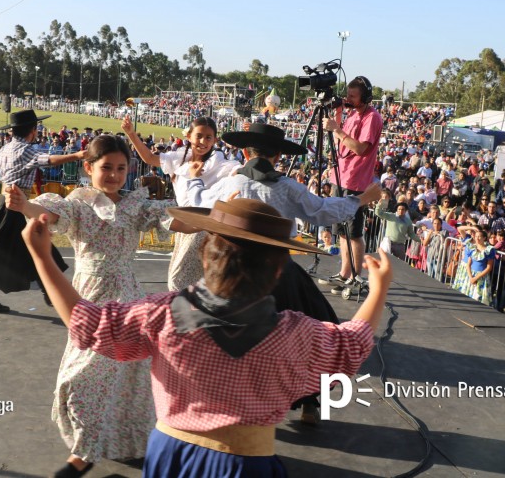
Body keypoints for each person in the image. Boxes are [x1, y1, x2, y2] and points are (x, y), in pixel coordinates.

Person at [20, 196, 393, 477]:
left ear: (204, 253)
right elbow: (352, 343)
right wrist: (378, 290)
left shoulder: (164, 314)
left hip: (171, 456)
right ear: (280, 269)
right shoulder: (295, 333)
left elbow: (87, 322)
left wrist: (42, 259)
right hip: (249, 464)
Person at [5, 134, 195, 477]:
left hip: (130, 295)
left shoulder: (136, 204)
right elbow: (45, 213)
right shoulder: (79, 204)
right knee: (83, 372)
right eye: (106, 167)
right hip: (90, 294)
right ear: (88, 167)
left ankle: (123, 441)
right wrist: (23, 206)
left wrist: (218, 222)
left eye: (121, 168)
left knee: (132, 371)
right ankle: (87, 442)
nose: (114, 175)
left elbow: (173, 219)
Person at [185, 122, 381, 423]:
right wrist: (361, 199)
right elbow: (322, 211)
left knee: (216, 330)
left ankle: (224, 397)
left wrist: (194, 179)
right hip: (277, 270)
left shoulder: (230, 183)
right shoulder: (288, 187)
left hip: (230, 273)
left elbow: (197, 206)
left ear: (244, 151)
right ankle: (310, 402)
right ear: (278, 155)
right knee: (320, 326)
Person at [0, 109, 84, 313]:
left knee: (14, 248)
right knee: (31, 246)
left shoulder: (6, 149)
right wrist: (77, 155)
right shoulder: (26, 150)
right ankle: (48, 292)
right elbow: (48, 160)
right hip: (16, 205)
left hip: (5, 204)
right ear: (32, 130)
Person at [121, 115, 239, 293]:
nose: (203, 141)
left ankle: (190, 314)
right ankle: (195, 313)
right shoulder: (178, 159)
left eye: (208, 137)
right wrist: (131, 134)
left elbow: (237, 171)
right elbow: (149, 158)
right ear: (189, 136)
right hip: (185, 226)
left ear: (215, 139)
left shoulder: (219, 163)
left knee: (178, 280)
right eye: (198, 136)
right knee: (196, 280)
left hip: (204, 226)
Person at [320, 76, 384, 291]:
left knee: (353, 233)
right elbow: (340, 141)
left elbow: (360, 149)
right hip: (340, 176)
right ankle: (344, 273)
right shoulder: (352, 114)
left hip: (356, 180)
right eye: (347, 95)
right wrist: (337, 113)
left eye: (352, 96)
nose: (348, 99)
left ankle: (356, 276)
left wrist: (336, 130)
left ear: (365, 97)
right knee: (341, 232)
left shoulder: (372, 118)